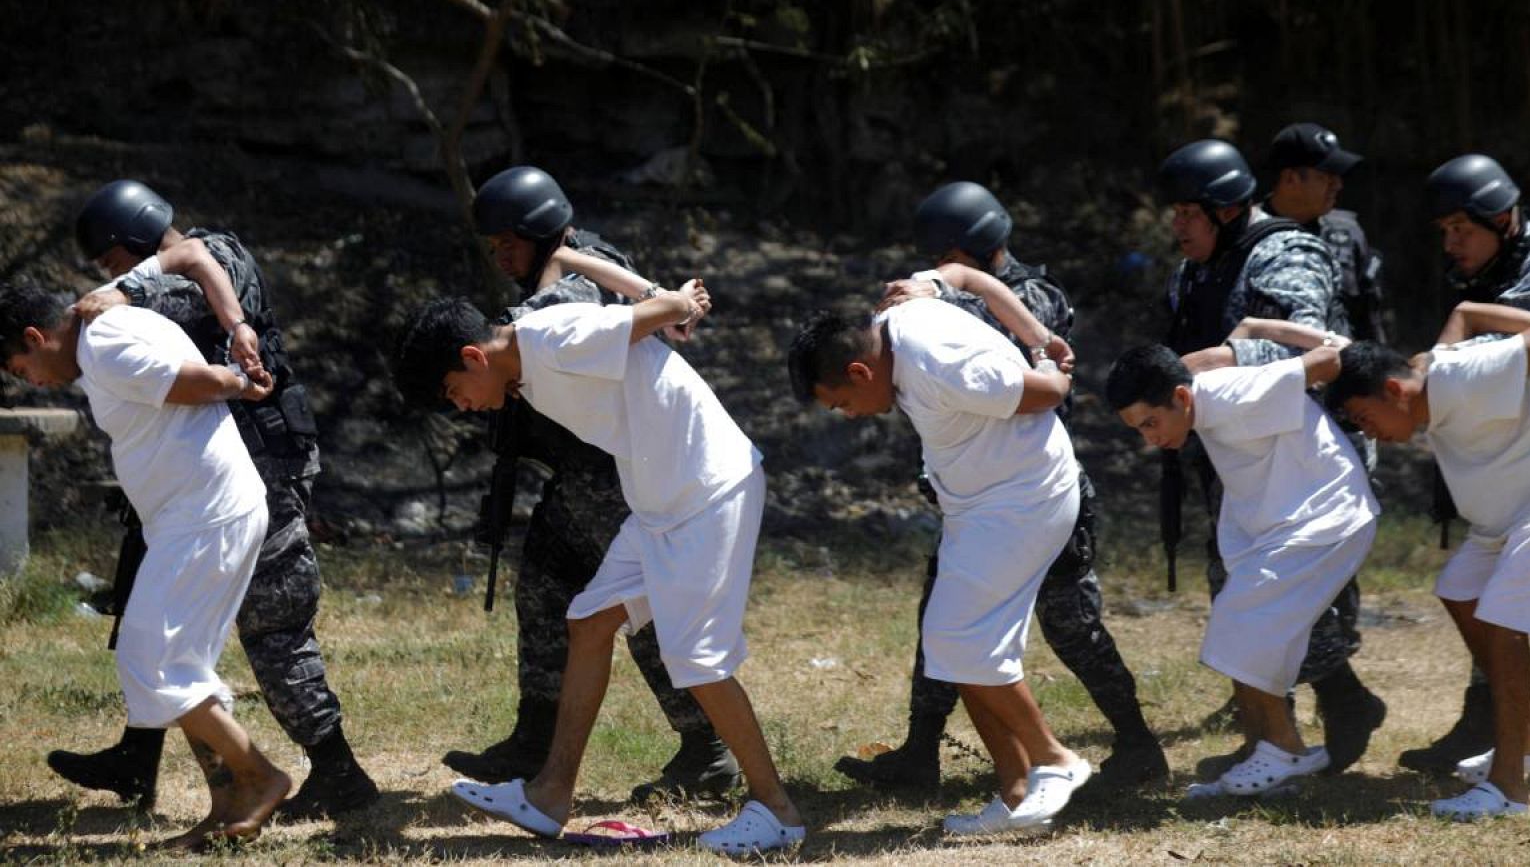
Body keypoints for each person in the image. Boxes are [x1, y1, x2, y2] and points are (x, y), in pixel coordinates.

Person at [393, 293, 806, 855]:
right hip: (659, 505)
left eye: (451, 392)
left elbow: (645, 315)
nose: (461, 406)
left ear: (473, 356)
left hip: (709, 491)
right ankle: (549, 796)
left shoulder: (553, 339)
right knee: (588, 622)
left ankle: (777, 811)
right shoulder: (526, 360)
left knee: (697, 660)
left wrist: (680, 305)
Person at [48, 180, 377, 820]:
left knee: (271, 622)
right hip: (202, 471)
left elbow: (180, 269)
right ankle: (137, 756)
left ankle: (337, 769)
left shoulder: (194, 266)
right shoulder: (198, 259)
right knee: (153, 608)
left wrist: (121, 290)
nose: (113, 279)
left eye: (113, 263)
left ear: (134, 242)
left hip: (257, 465)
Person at [833, 181, 1166, 792]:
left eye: (942, 259)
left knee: (1072, 623)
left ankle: (1136, 740)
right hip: (978, 491)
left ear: (960, 248)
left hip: (1032, 487)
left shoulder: (1036, 295)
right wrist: (935, 287)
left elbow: (1015, 371)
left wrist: (935, 292)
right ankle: (921, 750)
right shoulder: (954, 289)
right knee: (948, 621)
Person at [442, 165, 736, 802]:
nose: (502, 258)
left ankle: (707, 747)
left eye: (508, 245)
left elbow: (543, 325)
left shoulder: (577, 276)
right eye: (493, 249)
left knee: (642, 613)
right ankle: (536, 740)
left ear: (539, 230)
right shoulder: (565, 267)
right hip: (579, 475)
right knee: (546, 591)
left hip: (622, 479)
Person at [2, 279, 289, 849]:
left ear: (36, 338)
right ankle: (228, 804)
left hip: (206, 514)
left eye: (19, 368)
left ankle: (259, 777)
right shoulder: (103, 333)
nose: (28, 382)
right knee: (176, 662)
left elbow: (194, 383)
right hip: (196, 515)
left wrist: (241, 382)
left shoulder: (103, 340)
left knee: (152, 657)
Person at [790, 300, 1092, 837]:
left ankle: (1056, 760)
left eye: (842, 403)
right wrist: (1031, 330)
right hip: (980, 506)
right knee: (953, 648)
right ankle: (1017, 795)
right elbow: (963, 276)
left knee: (961, 639)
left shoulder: (935, 362)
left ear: (861, 371)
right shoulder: (895, 332)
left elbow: (1048, 395)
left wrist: (1049, 355)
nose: (849, 414)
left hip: (1023, 499)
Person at [1156, 140, 1386, 775]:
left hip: (1301, 463)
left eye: (1188, 213)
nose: (1177, 226)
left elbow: (1308, 352)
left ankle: (1338, 706)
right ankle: (1271, 735)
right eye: (1174, 213)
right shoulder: (1193, 269)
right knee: (1236, 588)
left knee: (1287, 599)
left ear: (1226, 211)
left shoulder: (1285, 252)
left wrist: (1210, 364)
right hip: (1235, 455)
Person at [1326, 311, 1530, 819]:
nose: (1370, 432)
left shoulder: (1470, 373)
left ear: (1394, 390)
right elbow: (1464, 312)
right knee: (1461, 589)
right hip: (1522, 501)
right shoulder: (1432, 380)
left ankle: (1509, 789)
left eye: (1365, 418)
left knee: (1501, 619)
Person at [1394, 153, 1530, 776]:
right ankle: (1503, 723)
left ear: (1503, 216)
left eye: (1463, 228)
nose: (1452, 243)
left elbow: (1519, 350)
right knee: (1496, 596)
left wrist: (1442, 353)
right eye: (1444, 232)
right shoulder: (1491, 266)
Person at [1106, 337, 1377, 797]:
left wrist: (1249, 333)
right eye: (1139, 430)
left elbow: (1328, 358)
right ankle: (1265, 753)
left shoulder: (1236, 390)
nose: (1150, 438)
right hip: (1281, 521)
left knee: (1241, 626)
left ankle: (1285, 753)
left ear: (1182, 398)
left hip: (1326, 516)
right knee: (1244, 633)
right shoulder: (1197, 401)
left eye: (1151, 423)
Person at [1259, 123, 1386, 343]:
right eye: (1326, 176)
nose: (1338, 184)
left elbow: (1369, 320)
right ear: (1290, 178)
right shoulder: (1248, 234)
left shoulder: (1347, 233)